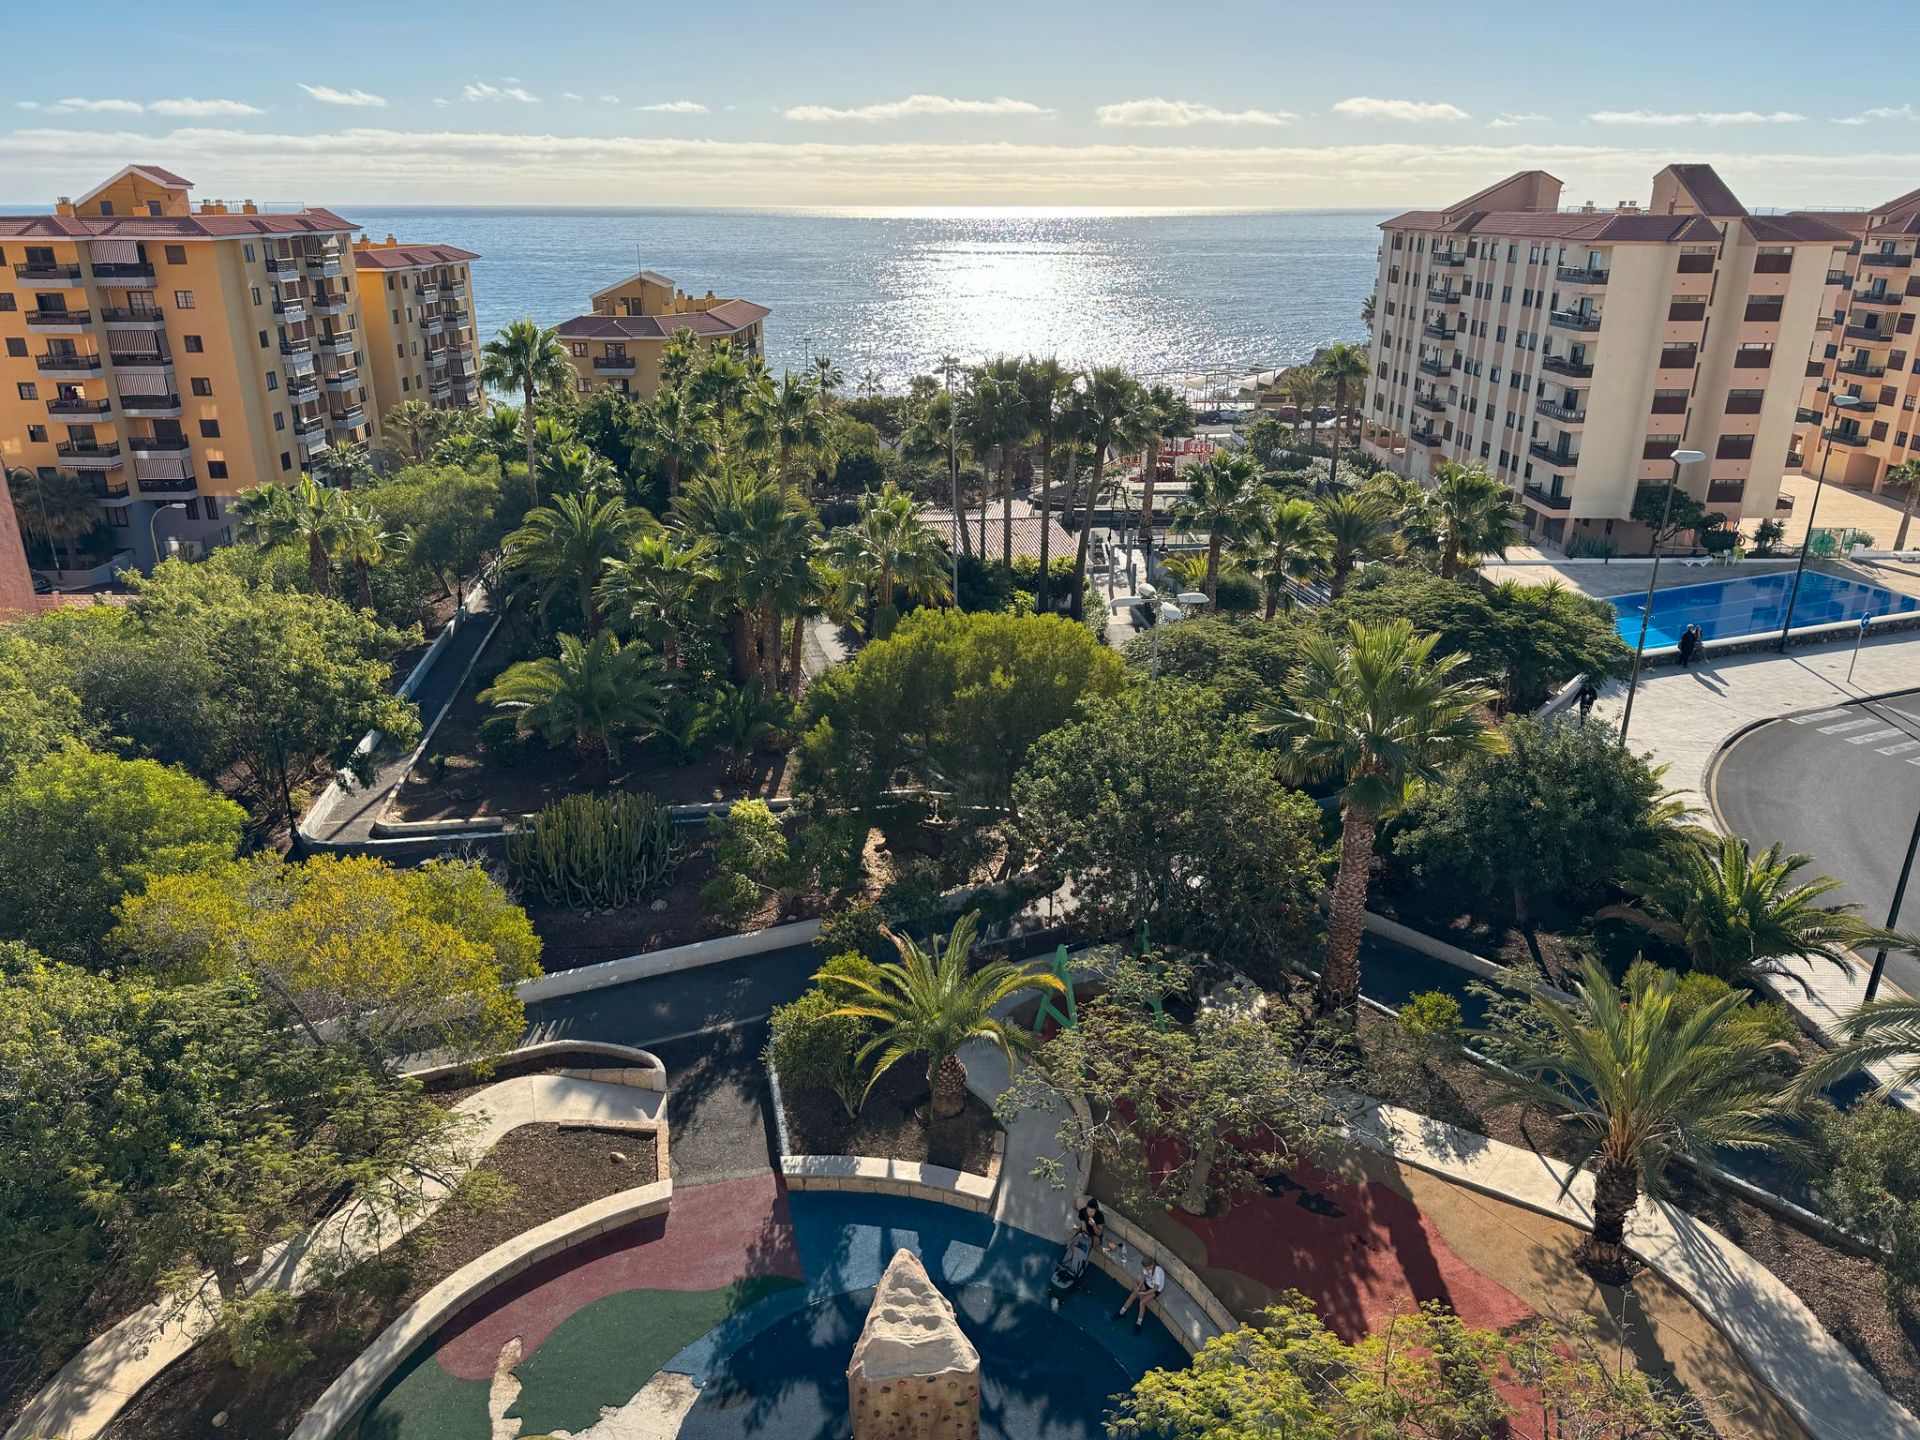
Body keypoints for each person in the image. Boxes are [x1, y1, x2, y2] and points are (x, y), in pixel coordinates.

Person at [1115, 1253, 1166, 1333]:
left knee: (1142, 1302)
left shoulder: (1158, 1272)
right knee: (1134, 1294)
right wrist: (1139, 1288)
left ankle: (1138, 1323)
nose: (1145, 1269)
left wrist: (1144, 1294)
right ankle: (1121, 1312)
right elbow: (1143, 1278)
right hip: (1148, 1283)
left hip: (1156, 1289)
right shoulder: (1146, 1268)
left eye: (1146, 1268)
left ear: (1152, 1264)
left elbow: (1155, 1288)